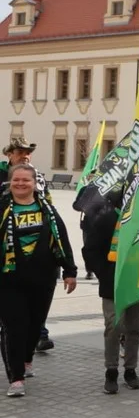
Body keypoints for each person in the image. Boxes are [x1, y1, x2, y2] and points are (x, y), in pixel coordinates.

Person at [0, 165, 77, 397]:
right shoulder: (2, 208)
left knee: (35, 325)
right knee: (14, 327)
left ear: (34, 183)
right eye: (17, 180)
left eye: (26, 180)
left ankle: (26, 359)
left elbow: (61, 239)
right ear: (10, 182)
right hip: (8, 280)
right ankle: (16, 378)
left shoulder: (48, 211)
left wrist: (70, 270)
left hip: (43, 278)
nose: (21, 184)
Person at [83, 188, 139, 394]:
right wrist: (104, 273)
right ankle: (111, 370)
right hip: (112, 282)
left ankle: (130, 369)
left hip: (136, 281)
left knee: (134, 327)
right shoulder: (106, 216)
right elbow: (90, 249)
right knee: (113, 325)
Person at [0, 138, 56, 353]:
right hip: (6, 247)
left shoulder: (38, 177)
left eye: (28, 152)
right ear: (9, 155)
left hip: (35, 247)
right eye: (20, 151)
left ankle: (39, 334)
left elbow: (48, 204)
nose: (25, 155)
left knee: (36, 297)